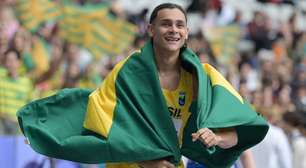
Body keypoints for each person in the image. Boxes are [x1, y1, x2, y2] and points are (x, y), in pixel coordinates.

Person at [17, 3, 268, 168]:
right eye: (166, 23)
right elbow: (105, 130)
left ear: (187, 32)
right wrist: (146, 162)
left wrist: (216, 136)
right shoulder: (128, 73)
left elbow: (243, 131)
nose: (173, 30)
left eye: (180, 25)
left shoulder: (204, 78)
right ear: (151, 29)